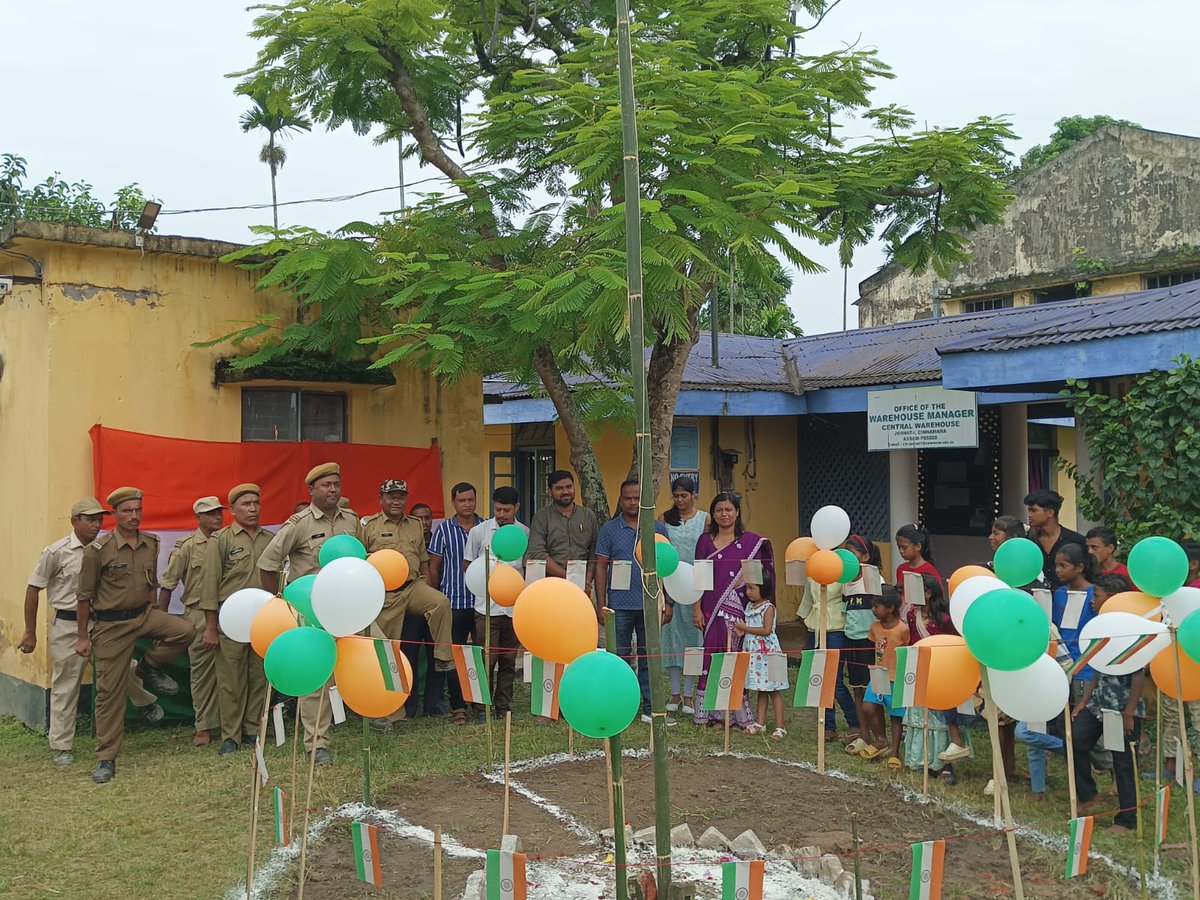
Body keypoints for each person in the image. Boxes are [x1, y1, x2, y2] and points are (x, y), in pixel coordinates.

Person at [20, 498, 163, 766]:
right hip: (68, 624)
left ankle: (144, 702)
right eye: (89, 519)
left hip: (104, 622)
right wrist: (30, 631)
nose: (96, 524)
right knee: (66, 684)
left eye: (99, 519)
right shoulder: (57, 552)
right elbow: (33, 588)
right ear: (74, 521)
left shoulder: (108, 547)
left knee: (125, 668)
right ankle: (62, 745)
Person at [76, 487, 195, 783]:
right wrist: (82, 637)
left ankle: (148, 667)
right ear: (114, 514)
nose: (133, 516)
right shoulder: (97, 550)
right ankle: (106, 758)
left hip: (144, 615)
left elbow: (150, 583)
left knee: (185, 631)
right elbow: (84, 596)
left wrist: (155, 614)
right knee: (109, 694)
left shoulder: (150, 543)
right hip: (110, 626)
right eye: (127, 511)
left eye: (137, 510)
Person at [258, 463, 363, 764]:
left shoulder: (352, 520)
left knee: (369, 653)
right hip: (311, 608)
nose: (333, 490)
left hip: (347, 605)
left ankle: (379, 716)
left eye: (336, 484)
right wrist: (280, 601)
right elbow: (267, 563)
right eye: (326, 485)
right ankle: (317, 744)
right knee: (318, 676)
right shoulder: (299, 524)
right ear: (311, 490)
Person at [362, 480, 456, 731]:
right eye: (391, 496)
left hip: (413, 586)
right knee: (388, 654)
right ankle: (390, 712)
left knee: (440, 602)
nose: (397, 501)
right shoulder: (369, 526)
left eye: (401, 497)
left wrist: (427, 586)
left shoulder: (415, 524)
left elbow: (423, 560)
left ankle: (443, 657)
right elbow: (359, 564)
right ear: (381, 498)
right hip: (386, 595)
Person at [203, 484, 276, 756]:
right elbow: (210, 584)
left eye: (256, 503)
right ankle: (230, 736)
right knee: (230, 678)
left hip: (263, 619)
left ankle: (251, 730)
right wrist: (211, 627)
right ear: (233, 510)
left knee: (259, 675)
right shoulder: (221, 540)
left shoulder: (270, 539)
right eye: (246, 504)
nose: (253, 508)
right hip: (230, 619)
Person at [691, 492, 773, 730]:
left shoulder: (750, 543)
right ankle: (712, 714)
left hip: (740, 609)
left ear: (737, 512)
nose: (724, 514)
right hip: (711, 608)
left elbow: (756, 580)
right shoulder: (704, 541)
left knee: (735, 658)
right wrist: (697, 609)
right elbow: (699, 579)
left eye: (728, 510)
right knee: (712, 656)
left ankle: (735, 714)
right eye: (719, 510)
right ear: (713, 514)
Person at [595, 479, 673, 725]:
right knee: (619, 658)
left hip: (650, 605)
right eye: (628, 498)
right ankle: (621, 706)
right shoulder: (609, 529)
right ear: (620, 500)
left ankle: (650, 708)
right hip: (618, 606)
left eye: (637, 498)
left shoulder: (657, 529)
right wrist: (601, 603)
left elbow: (667, 566)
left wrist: (668, 602)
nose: (633, 502)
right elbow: (600, 567)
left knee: (649, 657)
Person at [1072, 573, 1145, 832]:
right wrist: (1084, 701)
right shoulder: (1101, 628)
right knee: (1076, 741)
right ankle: (1087, 792)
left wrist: (1129, 713)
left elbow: (1138, 675)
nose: (1093, 601)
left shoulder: (1132, 632)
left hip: (1121, 708)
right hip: (1097, 704)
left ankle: (1127, 819)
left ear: (1113, 599)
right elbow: (1097, 668)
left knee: (1123, 763)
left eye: (1098, 596)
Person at [157, 496, 225, 747]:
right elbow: (168, 584)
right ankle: (204, 726)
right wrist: (161, 624)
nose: (217, 517)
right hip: (198, 613)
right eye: (211, 513)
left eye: (219, 512)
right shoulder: (187, 546)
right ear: (198, 518)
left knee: (231, 671)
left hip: (228, 611)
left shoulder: (227, 541)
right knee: (202, 673)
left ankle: (231, 723)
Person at [464, 486, 528, 722]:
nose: (501, 514)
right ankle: (482, 708)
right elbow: (468, 565)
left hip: (513, 608)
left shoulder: (524, 533)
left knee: (508, 660)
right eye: (498, 509)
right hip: (486, 607)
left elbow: (526, 567)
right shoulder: (479, 532)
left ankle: (504, 706)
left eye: (506, 510)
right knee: (486, 658)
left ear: (516, 508)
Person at [428, 482, 483, 725]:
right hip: (453, 602)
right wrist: (435, 596)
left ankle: (480, 705)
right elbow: (434, 565)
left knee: (480, 655)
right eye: (462, 500)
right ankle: (458, 706)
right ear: (453, 502)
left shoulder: (485, 527)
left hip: (481, 603)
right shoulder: (443, 530)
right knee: (454, 656)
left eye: (471, 499)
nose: (467, 504)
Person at [906, 575, 968, 782]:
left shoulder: (945, 619)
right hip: (920, 669)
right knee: (923, 719)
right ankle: (925, 760)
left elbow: (957, 643)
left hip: (942, 671)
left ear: (928, 593)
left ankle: (947, 764)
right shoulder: (912, 615)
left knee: (943, 718)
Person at [660, 476, 706, 714]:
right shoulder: (665, 519)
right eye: (676, 496)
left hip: (697, 586)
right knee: (671, 640)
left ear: (693, 495)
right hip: (671, 585)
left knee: (693, 641)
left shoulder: (705, 520)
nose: (679, 500)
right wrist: (666, 598)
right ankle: (675, 693)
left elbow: (705, 555)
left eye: (684, 496)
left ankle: (689, 695)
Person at [798, 572, 858, 742]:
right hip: (814, 628)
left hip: (835, 628)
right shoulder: (812, 574)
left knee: (835, 681)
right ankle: (828, 726)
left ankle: (855, 722)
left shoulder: (842, 573)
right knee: (820, 680)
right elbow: (807, 600)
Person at [527, 470, 600, 593]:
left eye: (569, 487)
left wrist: (586, 580)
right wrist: (569, 577)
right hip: (552, 584)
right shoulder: (541, 517)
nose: (565, 491)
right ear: (550, 492)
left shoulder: (588, 515)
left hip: (583, 585)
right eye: (559, 488)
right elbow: (537, 553)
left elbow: (594, 551)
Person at [841, 535, 881, 755]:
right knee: (857, 688)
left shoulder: (875, 580)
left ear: (865, 557)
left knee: (873, 691)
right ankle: (864, 736)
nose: (847, 559)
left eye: (853, 554)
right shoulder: (845, 583)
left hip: (869, 642)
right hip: (851, 640)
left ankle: (880, 738)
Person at [860, 585, 908, 767]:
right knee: (868, 707)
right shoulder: (874, 627)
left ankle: (895, 751)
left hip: (896, 678)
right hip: (878, 675)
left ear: (890, 608)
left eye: (876, 606)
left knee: (896, 716)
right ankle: (881, 739)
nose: (873, 609)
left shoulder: (903, 629)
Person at [736, 572, 787, 739]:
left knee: (774, 690)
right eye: (747, 588)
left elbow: (766, 630)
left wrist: (745, 628)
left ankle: (780, 726)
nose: (748, 592)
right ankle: (760, 722)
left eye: (752, 588)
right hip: (755, 655)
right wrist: (742, 631)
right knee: (761, 688)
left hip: (768, 654)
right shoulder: (750, 607)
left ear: (763, 588)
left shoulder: (768, 608)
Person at [1053, 542, 1101, 703]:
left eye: (1063, 565)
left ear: (1080, 567)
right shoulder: (1059, 593)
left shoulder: (1095, 595)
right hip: (1061, 664)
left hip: (1085, 667)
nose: (1058, 570)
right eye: (1056, 565)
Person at [1025, 489, 1086, 590]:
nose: (1030, 515)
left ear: (1050, 512)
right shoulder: (1029, 542)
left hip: (1068, 595)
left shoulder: (1076, 540)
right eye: (1029, 511)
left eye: (1034, 510)